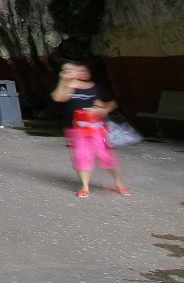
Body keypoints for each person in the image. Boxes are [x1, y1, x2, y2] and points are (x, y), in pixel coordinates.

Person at [50, 59, 131, 198]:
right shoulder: (65, 85)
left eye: (84, 70)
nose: (82, 73)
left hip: (98, 128)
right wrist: (64, 81)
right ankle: (85, 186)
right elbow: (58, 98)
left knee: (107, 156)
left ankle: (118, 183)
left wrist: (102, 110)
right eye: (75, 70)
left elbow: (112, 104)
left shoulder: (97, 88)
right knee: (81, 157)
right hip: (76, 129)